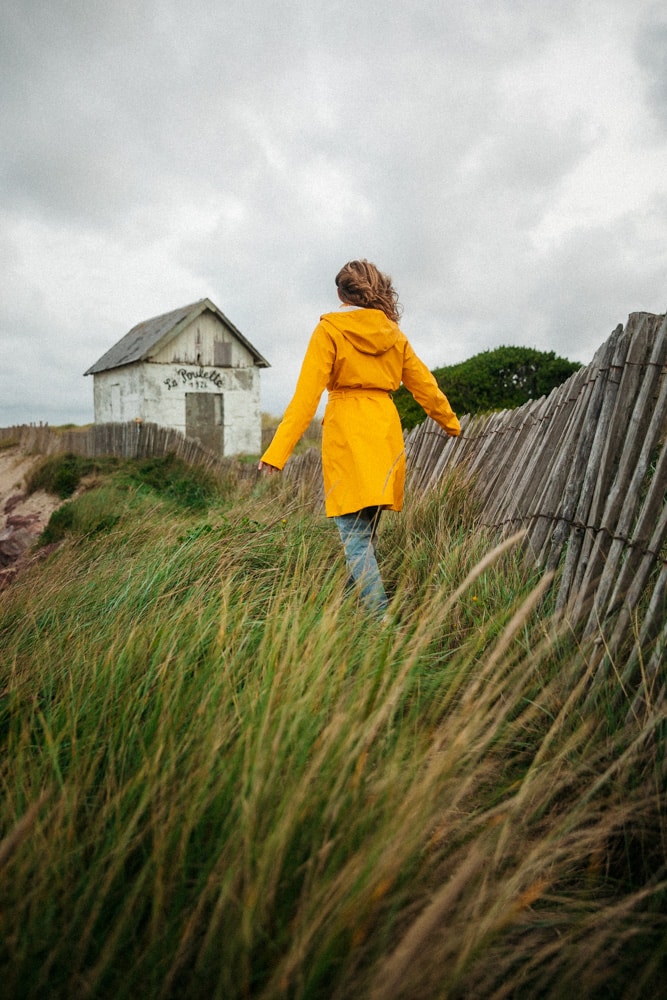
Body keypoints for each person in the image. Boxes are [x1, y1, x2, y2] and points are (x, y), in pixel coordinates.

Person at [258, 259, 461, 614]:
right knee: (363, 537)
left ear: (341, 293)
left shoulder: (330, 330)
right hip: (384, 435)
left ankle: (380, 626)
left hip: (348, 436)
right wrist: (451, 423)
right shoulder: (394, 335)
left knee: (354, 539)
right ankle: (348, 616)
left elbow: (306, 398)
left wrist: (277, 453)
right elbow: (424, 385)